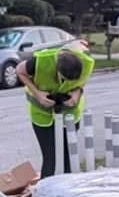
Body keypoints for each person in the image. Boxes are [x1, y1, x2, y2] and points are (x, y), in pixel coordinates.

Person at [16, 48, 94, 177]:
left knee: (69, 157)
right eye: (64, 79)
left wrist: (77, 92)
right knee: (51, 158)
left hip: (70, 116)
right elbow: (19, 71)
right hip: (42, 115)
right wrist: (38, 94)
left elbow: (82, 82)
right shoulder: (40, 62)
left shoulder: (87, 63)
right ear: (57, 70)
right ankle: (46, 192)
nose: (68, 83)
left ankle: (69, 191)